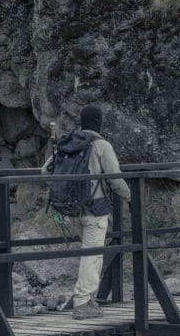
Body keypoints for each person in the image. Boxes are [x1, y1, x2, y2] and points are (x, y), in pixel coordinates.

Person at [42, 105, 131, 320]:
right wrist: (129, 196)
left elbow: (45, 171)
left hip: (70, 209)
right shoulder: (101, 145)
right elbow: (115, 178)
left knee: (88, 254)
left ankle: (88, 298)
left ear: (82, 120)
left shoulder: (68, 142)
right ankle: (82, 302)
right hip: (94, 209)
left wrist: (61, 191)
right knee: (92, 255)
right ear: (99, 122)